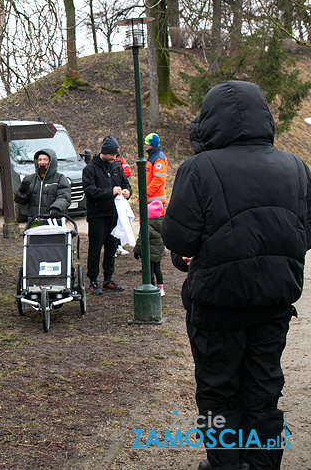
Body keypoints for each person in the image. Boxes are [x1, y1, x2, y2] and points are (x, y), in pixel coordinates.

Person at [162, 81, 311, 470]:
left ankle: (225, 464)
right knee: (263, 392)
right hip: (273, 303)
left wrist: (188, 258)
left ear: (210, 121)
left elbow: (178, 237)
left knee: (218, 392)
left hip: (217, 305)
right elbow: (305, 233)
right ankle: (262, 465)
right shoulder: (295, 166)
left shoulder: (199, 168)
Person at [82, 136, 131, 294]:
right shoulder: (90, 168)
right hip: (97, 215)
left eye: (116, 155)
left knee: (112, 248)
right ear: (104, 152)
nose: (114, 158)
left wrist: (127, 192)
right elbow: (90, 191)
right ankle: (93, 280)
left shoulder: (116, 166)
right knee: (95, 249)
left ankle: (108, 278)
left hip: (114, 215)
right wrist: (110, 192)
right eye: (112, 155)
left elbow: (126, 183)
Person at [14, 148, 71, 222]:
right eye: (40, 160)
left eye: (45, 160)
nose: (42, 162)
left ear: (51, 162)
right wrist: (20, 194)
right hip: (34, 220)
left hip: (53, 221)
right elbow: (22, 201)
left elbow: (64, 197)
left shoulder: (60, 179)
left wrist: (56, 207)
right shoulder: (28, 179)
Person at [133, 200, 165, 296]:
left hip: (148, 253)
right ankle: (161, 288)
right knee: (157, 270)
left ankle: (151, 287)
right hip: (158, 253)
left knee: (149, 271)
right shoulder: (161, 224)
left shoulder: (146, 226)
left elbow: (141, 241)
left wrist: (136, 251)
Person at [144, 132, 167, 216]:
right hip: (151, 199)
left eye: (147, 143)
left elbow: (159, 179)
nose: (145, 145)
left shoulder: (158, 158)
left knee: (152, 226)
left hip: (155, 200)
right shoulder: (154, 157)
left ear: (152, 144)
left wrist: (146, 192)